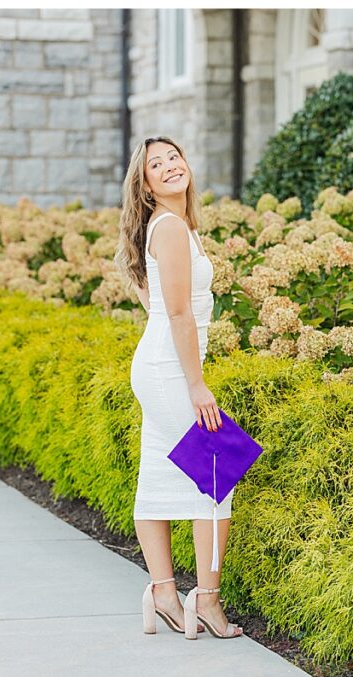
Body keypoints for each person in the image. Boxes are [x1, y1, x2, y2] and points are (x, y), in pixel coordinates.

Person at [113, 136, 243, 640]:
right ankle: (205, 601)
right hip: (170, 370)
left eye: (174, 157)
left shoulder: (169, 226)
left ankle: (163, 593)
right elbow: (180, 311)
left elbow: (156, 302)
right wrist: (197, 384)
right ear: (144, 184)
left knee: (159, 478)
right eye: (156, 164)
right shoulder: (168, 227)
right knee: (220, 472)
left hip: (158, 363)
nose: (169, 167)